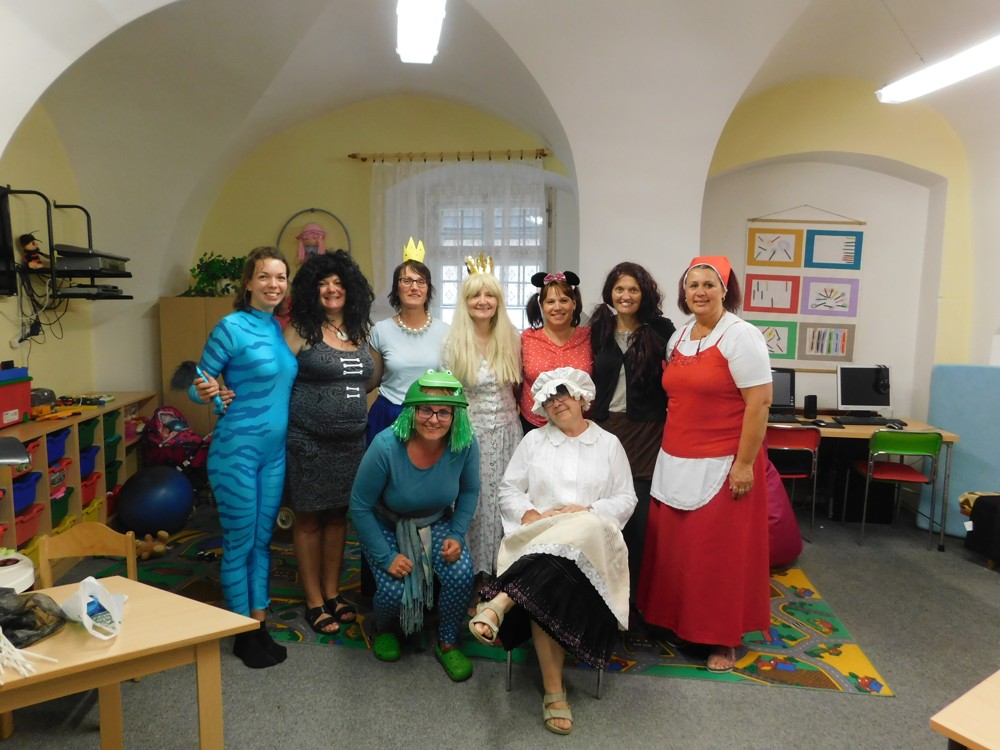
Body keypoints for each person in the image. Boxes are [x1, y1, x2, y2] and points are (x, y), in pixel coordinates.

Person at [469, 367, 637, 736]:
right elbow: (508, 490)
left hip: (593, 549)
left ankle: (500, 601)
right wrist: (532, 514)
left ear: (581, 398)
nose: (556, 402)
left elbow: (626, 498)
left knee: (585, 525)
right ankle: (554, 691)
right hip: (539, 540)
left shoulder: (608, 444)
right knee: (549, 579)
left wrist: (588, 510)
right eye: (548, 399)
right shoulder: (534, 442)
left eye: (563, 394)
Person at [636, 255, 773, 673]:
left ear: (725, 291)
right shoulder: (679, 337)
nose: (700, 292)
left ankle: (722, 637)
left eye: (709, 285)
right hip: (676, 457)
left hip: (724, 461)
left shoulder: (742, 336)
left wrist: (744, 464)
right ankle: (680, 622)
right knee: (679, 550)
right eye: (692, 285)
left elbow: (759, 403)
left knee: (717, 555)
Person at [190, 246, 297, 669]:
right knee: (238, 544)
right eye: (264, 276)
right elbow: (198, 382)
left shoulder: (276, 328)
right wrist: (213, 397)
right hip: (236, 452)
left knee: (262, 542)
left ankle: (258, 623)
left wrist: (222, 395)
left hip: (273, 456)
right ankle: (240, 633)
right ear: (249, 282)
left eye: (280, 277)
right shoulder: (230, 327)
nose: (273, 284)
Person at [349, 370, 480, 682]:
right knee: (393, 589)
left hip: (435, 520)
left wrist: (457, 534)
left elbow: (470, 491)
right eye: (425, 410)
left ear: (455, 415)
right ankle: (384, 627)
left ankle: (447, 641)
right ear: (411, 410)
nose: (434, 419)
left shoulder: (464, 443)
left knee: (461, 573)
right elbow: (360, 507)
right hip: (385, 521)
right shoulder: (385, 446)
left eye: (444, 412)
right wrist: (386, 557)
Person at [283, 250, 375, 635]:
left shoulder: (359, 330)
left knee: (338, 517)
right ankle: (314, 600)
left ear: (350, 289)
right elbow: (276, 377)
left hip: (350, 445)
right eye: (323, 283)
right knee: (309, 520)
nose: (332, 289)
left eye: (338, 283)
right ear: (311, 289)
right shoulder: (301, 330)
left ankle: (333, 592)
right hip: (308, 442)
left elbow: (369, 377)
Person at [589, 262, 675, 601]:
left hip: (646, 434)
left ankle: (637, 599)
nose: (626, 296)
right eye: (620, 289)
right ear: (610, 293)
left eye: (633, 290)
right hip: (605, 430)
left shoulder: (661, 330)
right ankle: (603, 595)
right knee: (604, 514)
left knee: (639, 519)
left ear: (644, 294)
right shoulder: (599, 329)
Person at [443, 263, 522, 582]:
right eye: (476, 295)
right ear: (465, 301)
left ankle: (502, 572)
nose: (483, 301)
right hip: (469, 435)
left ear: (498, 301)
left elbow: (519, 388)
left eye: (490, 295)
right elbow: (447, 394)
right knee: (471, 503)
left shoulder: (512, 339)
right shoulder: (452, 343)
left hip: (507, 435)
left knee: (505, 502)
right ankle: (470, 574)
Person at [367, 246, 449, 444]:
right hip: (388, 416)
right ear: (397, 288)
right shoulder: (380, 330)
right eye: (407, 280)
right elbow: (370, 382)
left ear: (428, 289)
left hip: (430, 419)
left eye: (421, 281)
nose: (414, 287)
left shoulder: (446, 332)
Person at [519, 271, 592, 433]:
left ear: (574, 303)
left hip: (579, 426)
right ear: (542, 305)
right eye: (550, 302)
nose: (557, 307)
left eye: (564, 300)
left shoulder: (589, 337)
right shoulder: (526, 339)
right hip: (534, 425)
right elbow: (515, 384)